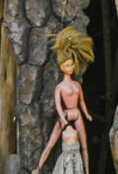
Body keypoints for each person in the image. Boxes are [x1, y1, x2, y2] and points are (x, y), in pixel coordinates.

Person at [34, 28, 94, 174]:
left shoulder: (76, 85)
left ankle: (86, 170)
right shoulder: (60, 87)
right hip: (66, 114)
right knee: (51, 143)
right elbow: (59, 105)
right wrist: (62, 118)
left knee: (84, 145)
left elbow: (81, 101)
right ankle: (38, 167)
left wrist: (86, 114)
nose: (71, 68)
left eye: (72, 64)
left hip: (77, 113)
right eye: (67, 65)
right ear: (61, 66)